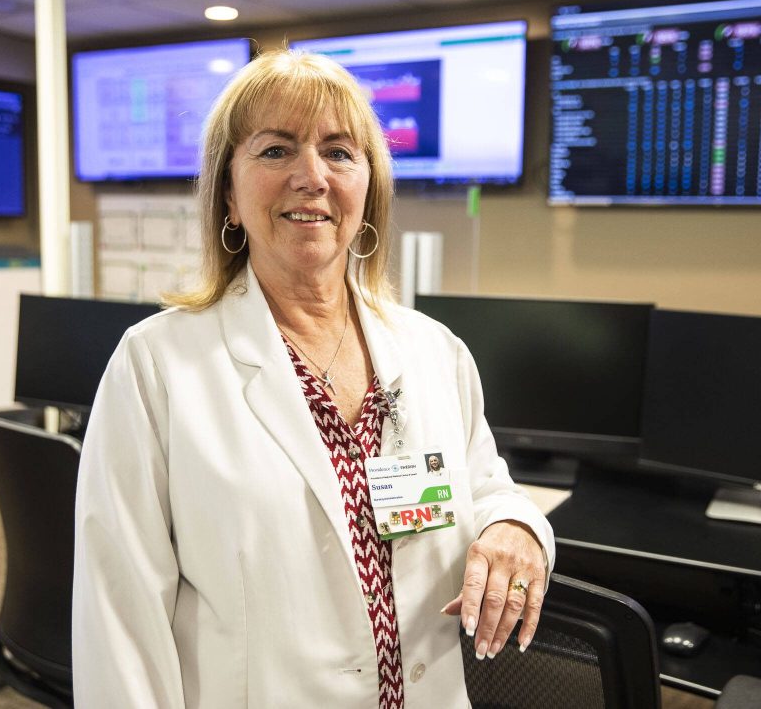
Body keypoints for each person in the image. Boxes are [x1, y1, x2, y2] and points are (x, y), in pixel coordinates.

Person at [72, 49, 555, 708]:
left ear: (368, 190)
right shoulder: (157, 366)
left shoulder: (434, 352)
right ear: (229, 197)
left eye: (338, 151)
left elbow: (490, 489)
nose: (311, 176)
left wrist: (517, 529)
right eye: (276, 151)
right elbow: (118, 620)